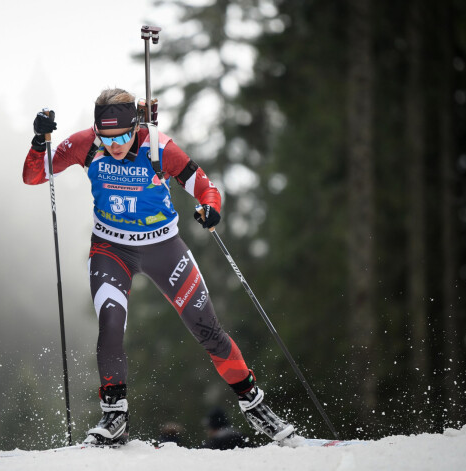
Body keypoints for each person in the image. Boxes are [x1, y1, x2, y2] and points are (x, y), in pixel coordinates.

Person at [22, 88, 295, 446]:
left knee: (209, 331)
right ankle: (115, 416)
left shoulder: (159, 148)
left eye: (122, 135)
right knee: (110, 322)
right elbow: (34, 176)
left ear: (136, 126)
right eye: (107, 137)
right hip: (111, 248)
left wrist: (210, 208)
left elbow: (206, 187)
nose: (115, 144)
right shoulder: (84, 144)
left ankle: (256, 408)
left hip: (163, 247)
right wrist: (39, 140)